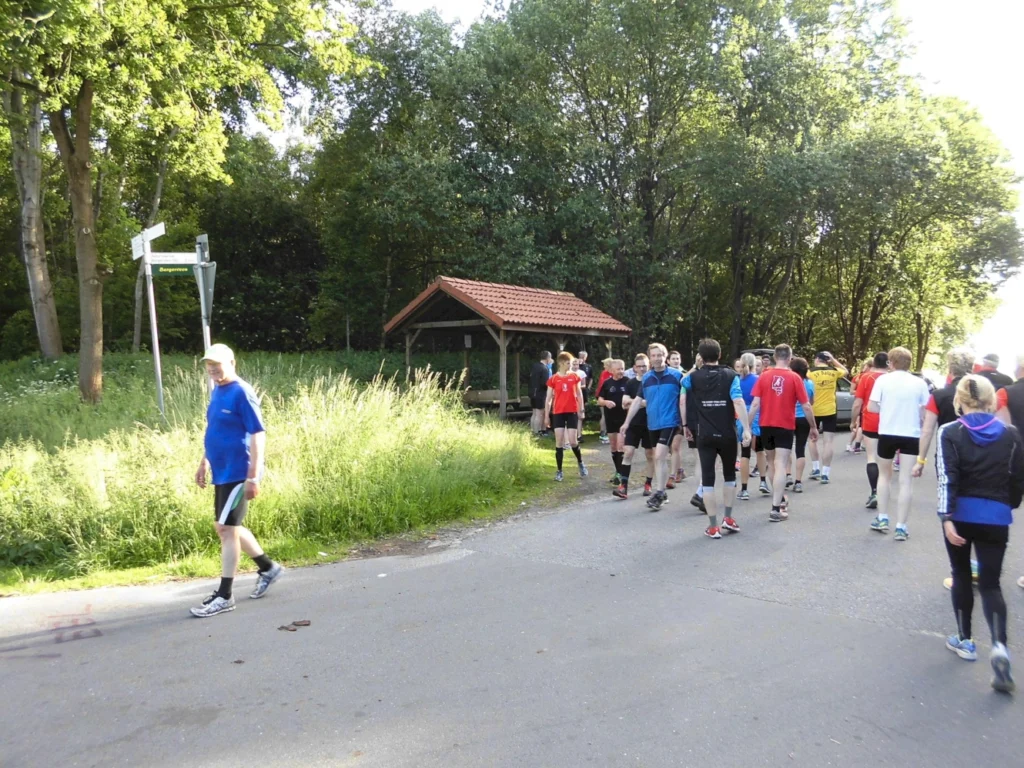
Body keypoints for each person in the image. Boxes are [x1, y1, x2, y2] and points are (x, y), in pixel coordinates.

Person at [936, 375, 1022, 692]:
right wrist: (1009, 504)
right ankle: (999, 646)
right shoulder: (1010, 434)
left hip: (960, 515)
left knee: (960, 573)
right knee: (990, 584)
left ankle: (965, 640)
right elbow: (1016, 477)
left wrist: (946, 517)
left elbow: (947, 478)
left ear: (959, 400)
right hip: (996, 517)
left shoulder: (950, 432)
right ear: (992, 401)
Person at [191, 344, 283, 618]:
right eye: (208, 364)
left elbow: (257, 434)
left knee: (225, 530)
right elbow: (216, 430)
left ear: (232, 362)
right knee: (228, 527)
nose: (212, 368)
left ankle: (225, 595)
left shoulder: (242, 391)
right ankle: (268, 568)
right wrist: (204, 461)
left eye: (217, 364)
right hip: (222, 470)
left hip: (239, 472)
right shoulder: (218, 390)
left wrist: (253, 476)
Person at [680, 339, 751, 539]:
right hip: (728, 434)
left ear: (701, 357)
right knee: (729, 476)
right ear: (720, 355)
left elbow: (683, 398)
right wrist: (746, 429)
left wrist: (685, 426)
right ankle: (728, 518)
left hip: (705, 435)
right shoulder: (731, 375)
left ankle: (713, 527)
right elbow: (738, 400)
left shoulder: (692, 378)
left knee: (708, 480)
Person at [748, 344, 818, 522]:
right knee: (781, 463)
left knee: (771, 463)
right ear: (790, 357)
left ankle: (779, 499)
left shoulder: (764, 376)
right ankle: (775, 507)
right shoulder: (795, 378)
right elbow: (806, 406)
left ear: (774, 357)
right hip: (785, 426)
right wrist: (813, 426)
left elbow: (755, 404)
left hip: (766, 425)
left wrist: (746, 426)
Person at [867, 346, 930, 541]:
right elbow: (924, 411)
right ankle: (901, 527)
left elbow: (871, 406)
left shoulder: (883, 380)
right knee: (906, 481)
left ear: (890, 363)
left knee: (884, 477)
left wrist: (887, 408)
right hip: (911, 434)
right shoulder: (919, 383)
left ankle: (882, 518)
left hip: (887, 433)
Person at [620, 343, 683, 511]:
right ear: (650, 357)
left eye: (659, 355)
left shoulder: (677, 376)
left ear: (665, 356)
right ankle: (661, 492)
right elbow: (637, 402)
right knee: (657, 457)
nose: (656, 358)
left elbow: (687, 399)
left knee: (660, 455)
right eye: (653, 355)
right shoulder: (647, 378)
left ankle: (660, 492)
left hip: (671, 422)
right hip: (653, 423)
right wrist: (626, 422)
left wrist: (686, 423)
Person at [914, 348, 975, 478]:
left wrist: (921, 460)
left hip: (947, 452)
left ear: (950, 370)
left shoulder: (938, 396)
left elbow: (927, 431)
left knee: (947, 494)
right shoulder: (982, 393)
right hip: (978, 453)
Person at [994, 354, 1024, 590]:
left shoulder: (1005, 393)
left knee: (1000, 511)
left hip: (1013, 462)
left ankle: (989, 565)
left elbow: (1003, 431)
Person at [614, 355, 656, 499]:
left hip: (650, 423)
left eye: (644, 365)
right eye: (639, 366)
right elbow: (623, 402)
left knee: (650, 455)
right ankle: (623, 486)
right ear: (634, 368)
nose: (642, 368)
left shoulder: (652, 381)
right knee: (628, 453)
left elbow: (653, 402)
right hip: (633, 423)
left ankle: (648, 483)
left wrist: (636, 402)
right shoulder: (630, 383)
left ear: (649, 366)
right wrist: (640, 402)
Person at [851, 352, 888, 509]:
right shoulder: (892, 378)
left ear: (874, 363)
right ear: (888, 363)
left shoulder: (866, 377)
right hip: (889, 422)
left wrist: (853, 421)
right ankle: (884, 492)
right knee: (886, 459)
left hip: (871, 420)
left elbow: (857, 403)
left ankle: (874, 492)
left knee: (871, 457)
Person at [545, 351, 588, 481]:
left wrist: (581, 409)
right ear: (561, 363)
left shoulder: (574, 377)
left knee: (573, 441)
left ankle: (580, 463)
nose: (571, 365)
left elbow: (579, 394)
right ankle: (559, 471)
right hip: (558, 412)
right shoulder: (553, 379)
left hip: (572, 411)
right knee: (559, 442)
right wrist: (547, 416)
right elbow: (548, 399)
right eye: (568, 363)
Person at [807, 351, 848, 483]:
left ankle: (815, 468)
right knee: (828, 441)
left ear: (817, 359)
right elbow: (845, 371)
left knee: (812, 439)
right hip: (830, 410)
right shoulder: (834, 371)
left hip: (814, 410)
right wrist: (834, 359)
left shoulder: (810, 372)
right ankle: (825, 473)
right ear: (827, 360)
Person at [737, 353, 765, 500]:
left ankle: (744, 489)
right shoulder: (759, 380)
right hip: (758, 416)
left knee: (745, 453)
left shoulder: (737, 380)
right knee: (760, 450)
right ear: (755, 364)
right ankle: (763, 482)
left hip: (742, 417)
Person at [596, 360, 629, 484]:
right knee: (614, 446)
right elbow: (599, 399)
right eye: (618, 369)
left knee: (621, 446)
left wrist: (628, 403)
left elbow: (635, 397)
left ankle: (622, 474)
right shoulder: (607, 383)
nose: (620, 371)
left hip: (624, 419)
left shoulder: (627, 382)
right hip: (611, 418)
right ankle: (618, 471)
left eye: (622, 369)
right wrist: (605, 402)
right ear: (612, 371)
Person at [790, 357, 816, 494]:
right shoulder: (809, 383)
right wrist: (813, 426)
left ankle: (787, 475)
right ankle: (798, 482)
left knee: (785, 448)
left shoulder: (788, 381)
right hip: (803, 419)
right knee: (800, 449)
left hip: (788, 418)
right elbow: (810, 403)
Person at [667, 350, 688, 487]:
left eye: (678, 358)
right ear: (668, 361)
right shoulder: (665, 375)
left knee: (675, 446)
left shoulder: (684, 375)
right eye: (673, 358)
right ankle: (680, 469)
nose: (676, 361)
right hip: (668, 415)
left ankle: (672, 476)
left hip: (680, 415)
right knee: (670, 448)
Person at [530, 351, 553, 436]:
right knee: (539, 414)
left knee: (534, 413)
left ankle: (532, 431)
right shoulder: (544, 368)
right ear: (547, 358)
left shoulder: (535, 366)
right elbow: (545, 383)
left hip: (533, 392)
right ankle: (537, 432)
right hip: (540, 393)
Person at [596, 358, 614, 444]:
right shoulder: (605, 373)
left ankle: (609, 433)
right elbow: (603, 386)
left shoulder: (612, 373)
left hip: (609, 397)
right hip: (603, 397)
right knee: (604, 415)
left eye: (605, 365)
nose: (604, 366)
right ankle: (602, 434)